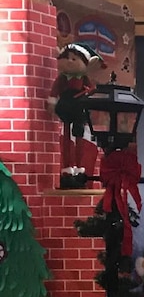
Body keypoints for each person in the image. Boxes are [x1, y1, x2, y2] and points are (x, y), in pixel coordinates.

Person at [48, 42, 100, 188]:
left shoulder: (83, 78)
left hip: (79, 108)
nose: (70, 61)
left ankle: (78, 166)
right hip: (65, 106)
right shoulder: (62, 78)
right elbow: (54, 91)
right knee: (65, 135)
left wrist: (89, 92)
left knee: (79, 135)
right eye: (68, 58)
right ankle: (67, 166)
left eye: (74, 59)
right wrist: (52, 102)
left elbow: (91, 89)